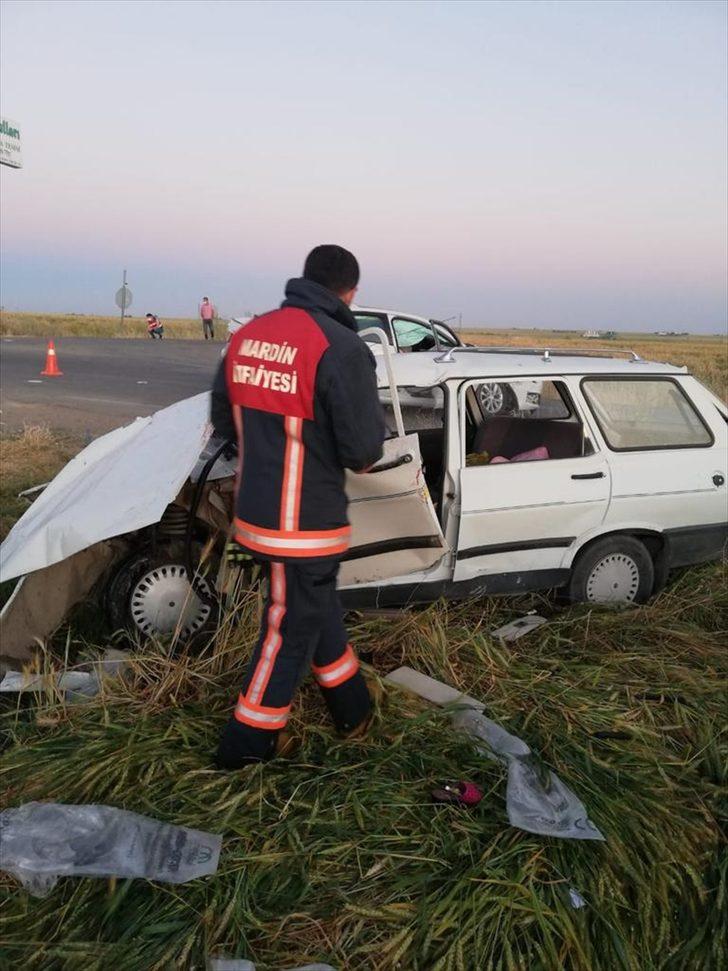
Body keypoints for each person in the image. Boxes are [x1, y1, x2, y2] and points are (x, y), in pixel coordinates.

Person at [210, 244, 385, 768]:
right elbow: (362, 453)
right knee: (287, 631)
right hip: (306, 529)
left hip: (254, 519)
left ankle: (353, 709)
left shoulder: (248, 335)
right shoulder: (341, 347)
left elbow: (224, 422)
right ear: (350, 292)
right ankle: (246, 746)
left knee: (314, 610)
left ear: (303, 279)